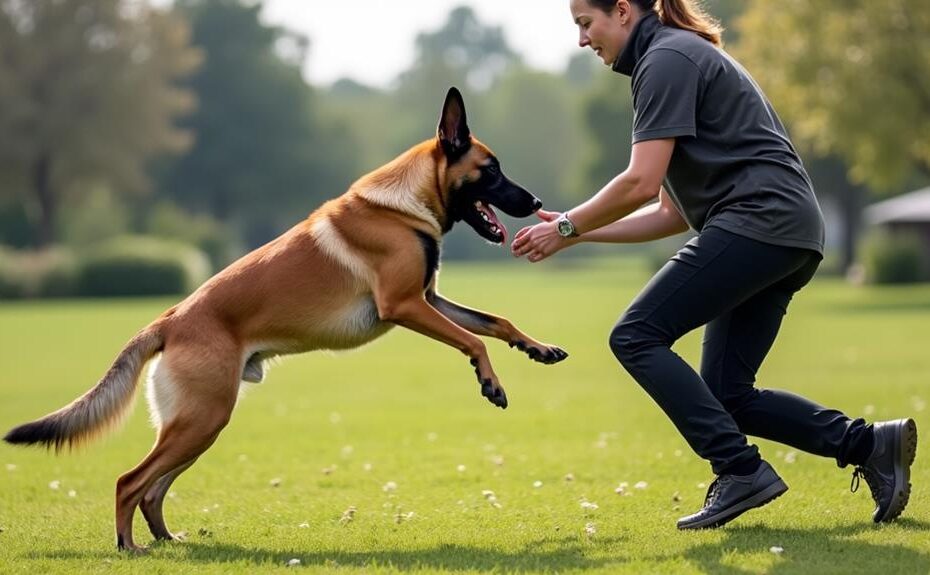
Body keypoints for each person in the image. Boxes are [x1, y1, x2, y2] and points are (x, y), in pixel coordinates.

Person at [511, 0, 918, 530]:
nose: (583, 41)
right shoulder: (675, 56)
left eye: (586, 25)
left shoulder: (667, 59)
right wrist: (577, 234)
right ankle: (869, 444)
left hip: (758, 222)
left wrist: (567, 225)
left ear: (623, 11)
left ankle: (739, 469)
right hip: (787, 232)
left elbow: (639, 181)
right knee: (727, 394)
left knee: (635, 335)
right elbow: (671, 213)